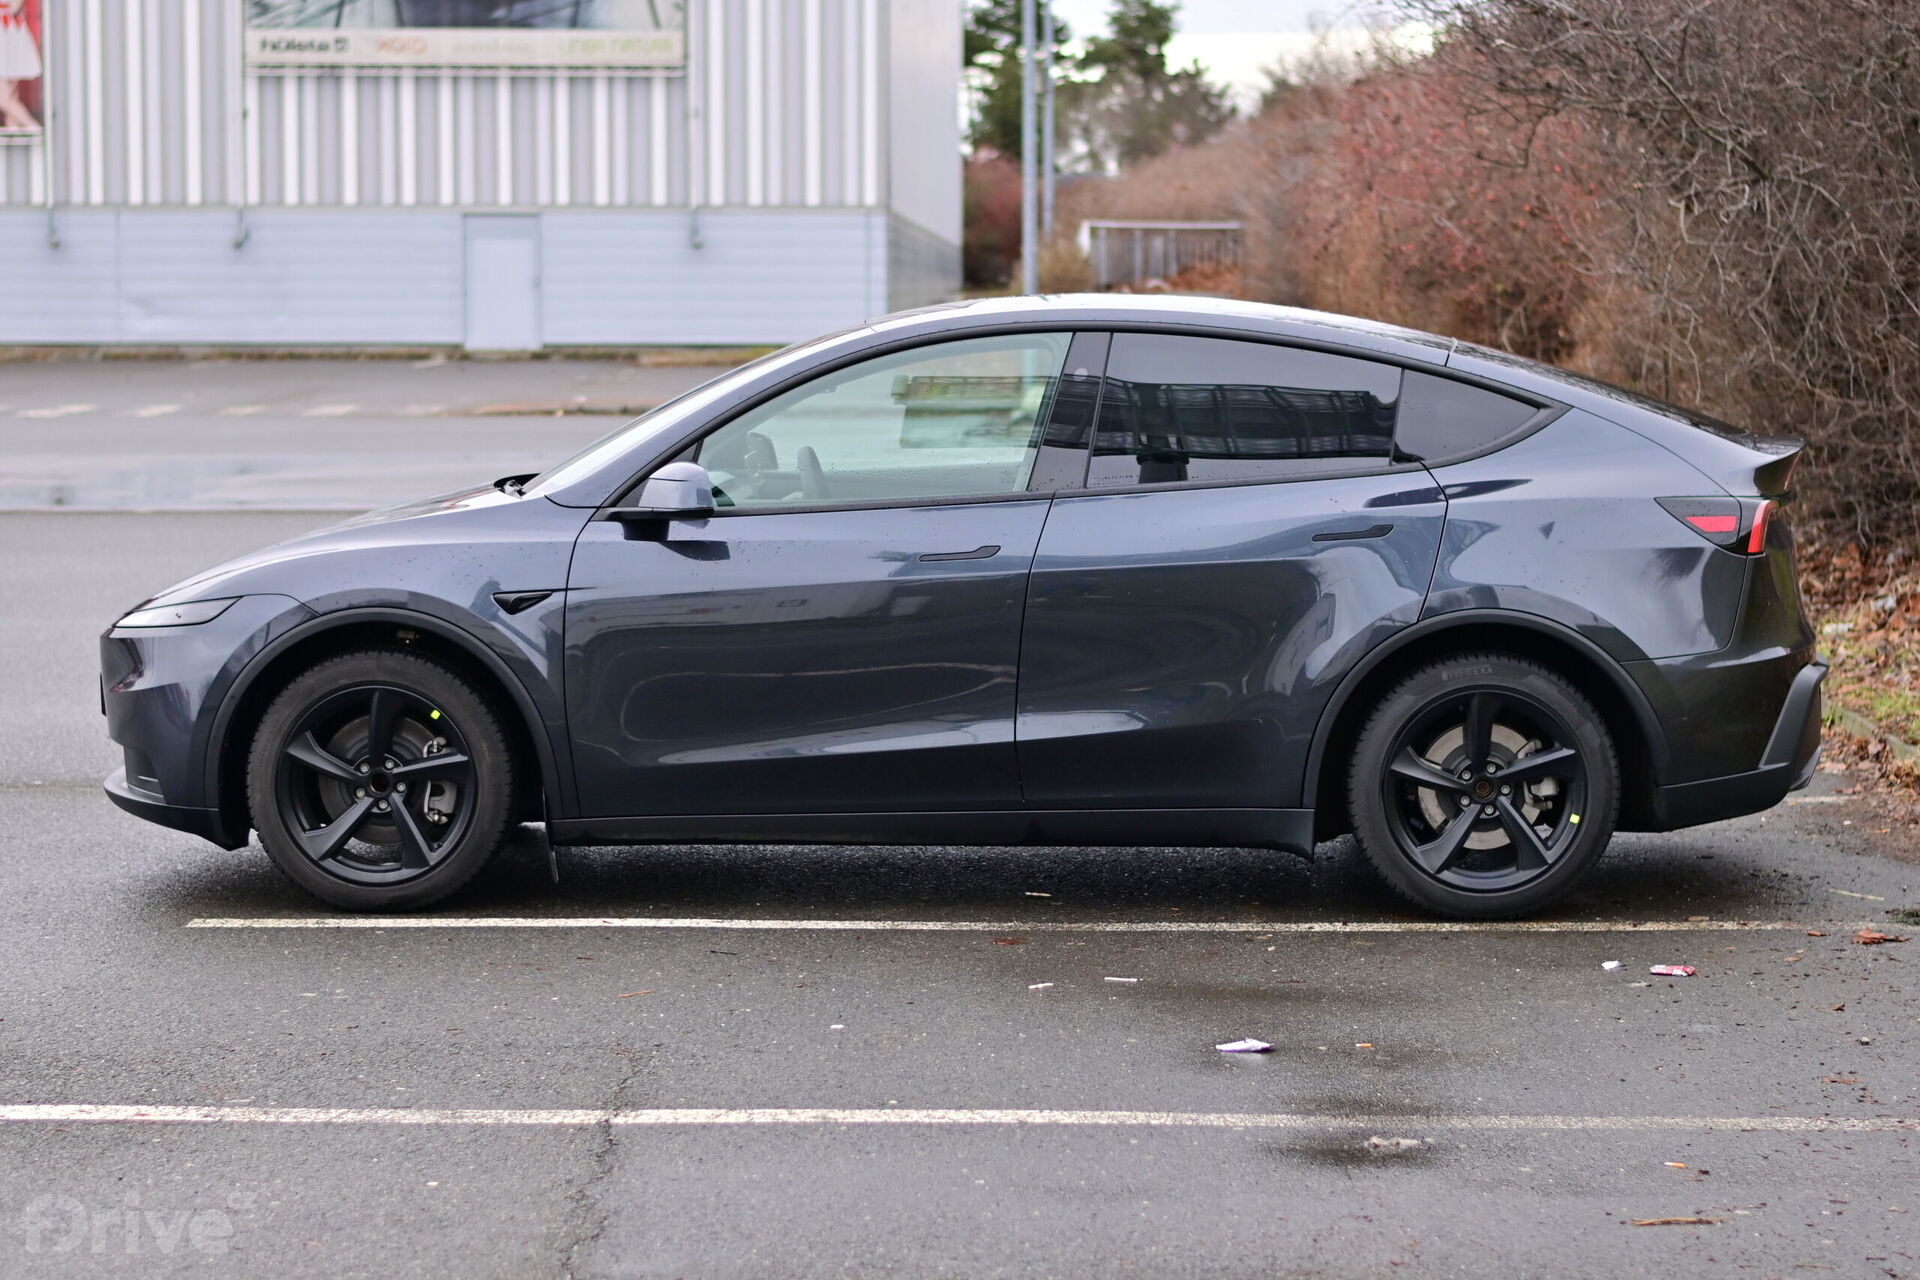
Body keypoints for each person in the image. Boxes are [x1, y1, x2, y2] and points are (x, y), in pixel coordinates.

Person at [0, 0, 41, 133]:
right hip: (8, 40)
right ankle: (14, 134)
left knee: (4, 98)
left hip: (10, 41)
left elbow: (14, 7)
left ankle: (33, 128)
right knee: (11, 98)